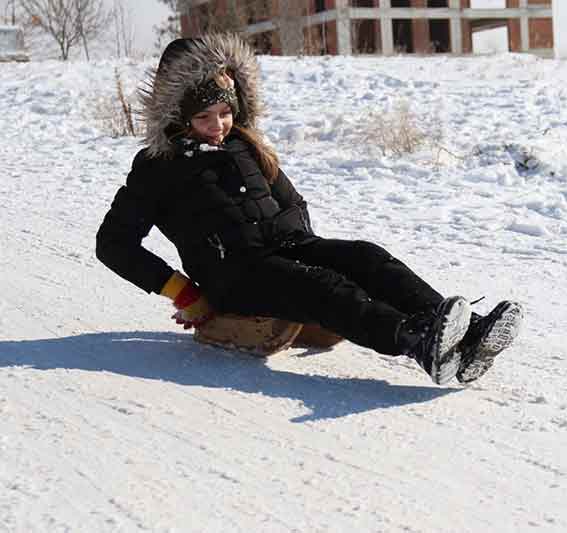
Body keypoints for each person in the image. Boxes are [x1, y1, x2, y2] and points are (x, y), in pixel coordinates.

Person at [96, 34, 522, 385]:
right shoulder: (159, 167)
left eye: (226, 112)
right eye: (204, 116)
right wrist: (184, 293)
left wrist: (307, 246)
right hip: (236, 278)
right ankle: (417, 342)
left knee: (363, 255)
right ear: (176, 113)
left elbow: (291, 201)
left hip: (285, 247)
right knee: (323, 287)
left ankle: (463, 335)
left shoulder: (245, 145)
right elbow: (113, 244)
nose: (219, 124)